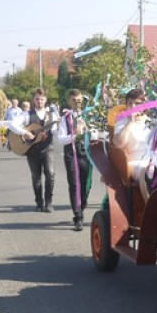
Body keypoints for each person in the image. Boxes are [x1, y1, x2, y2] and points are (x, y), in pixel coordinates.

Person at [10, 87, 59, 212]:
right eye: (37, 99)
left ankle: (49, 202)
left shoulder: (52, 115)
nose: (39, 101)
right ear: (34, 100)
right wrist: (24, 132)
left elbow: (55, 131)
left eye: (41, 99)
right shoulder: (27, 114)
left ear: (45, 100)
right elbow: (12, 124)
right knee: (36, 177)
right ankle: (39, 202)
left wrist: (57, 126)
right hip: (32, 149)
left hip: (48, 148)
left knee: (50, 174)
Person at [57, 89, 92, 230]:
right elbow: (60, 139)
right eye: (74, 100)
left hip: (87, 153)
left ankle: (82, 206)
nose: (77, 103)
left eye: (79, 100)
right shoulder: (66, 118)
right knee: (74, 184)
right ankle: (78, 216)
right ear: (69, 101)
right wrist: (74, 135)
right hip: (72, 153)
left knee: (86, 185)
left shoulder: (89, 115)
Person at [114, 88, 153, 201]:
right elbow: (119, 143)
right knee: (145, 171)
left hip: (152, 161)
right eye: (130, 103)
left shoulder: (151, 121)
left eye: (137, 103)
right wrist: (130, 122)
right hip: (133, 162)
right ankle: (149, 206)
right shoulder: (122, 122)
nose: (133, 106)